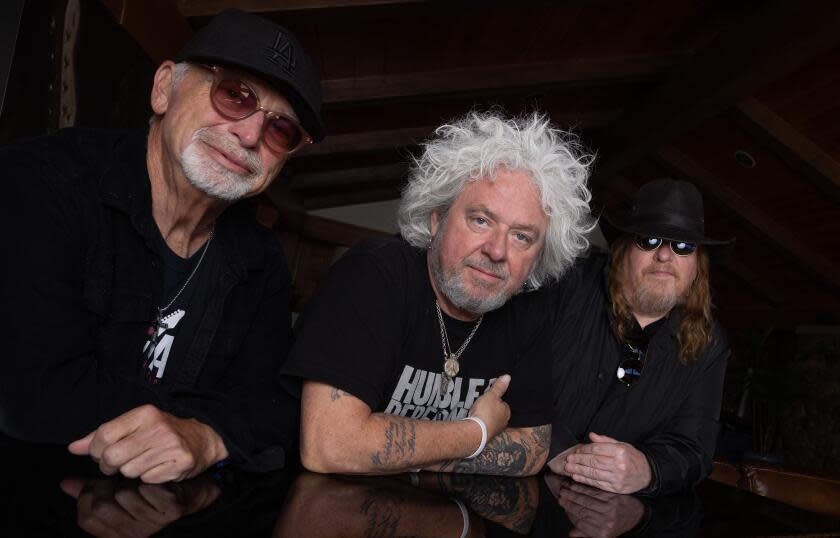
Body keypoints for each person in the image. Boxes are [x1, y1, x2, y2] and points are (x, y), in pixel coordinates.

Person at [0, 9, 323, 482]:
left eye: (281, 130)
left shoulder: (261, 261)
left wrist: (204, 438)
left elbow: (273, 410)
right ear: (163, 87)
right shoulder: (40, 184)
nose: (250, 135)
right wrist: (207, 421)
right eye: (234, 94)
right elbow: (33, 394)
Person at [280, 111, 594, 476]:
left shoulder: (527, 309)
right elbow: (330, 446)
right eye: (481, 220)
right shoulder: (374, 274)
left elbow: (533, 449)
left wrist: (389, 447)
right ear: (437, 219)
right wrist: (474, 433)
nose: (497, 251)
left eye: (522, 236)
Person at [546, 179, 732, 495]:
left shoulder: (711, 345)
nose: (664, 256)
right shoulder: (568, 286)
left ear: (696, 265)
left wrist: (647, 469)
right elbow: (509, 373)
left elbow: (694, 448)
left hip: (613, 518)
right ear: (624, 249)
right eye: (649, 240)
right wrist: (555, 449)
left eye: (683, 247)